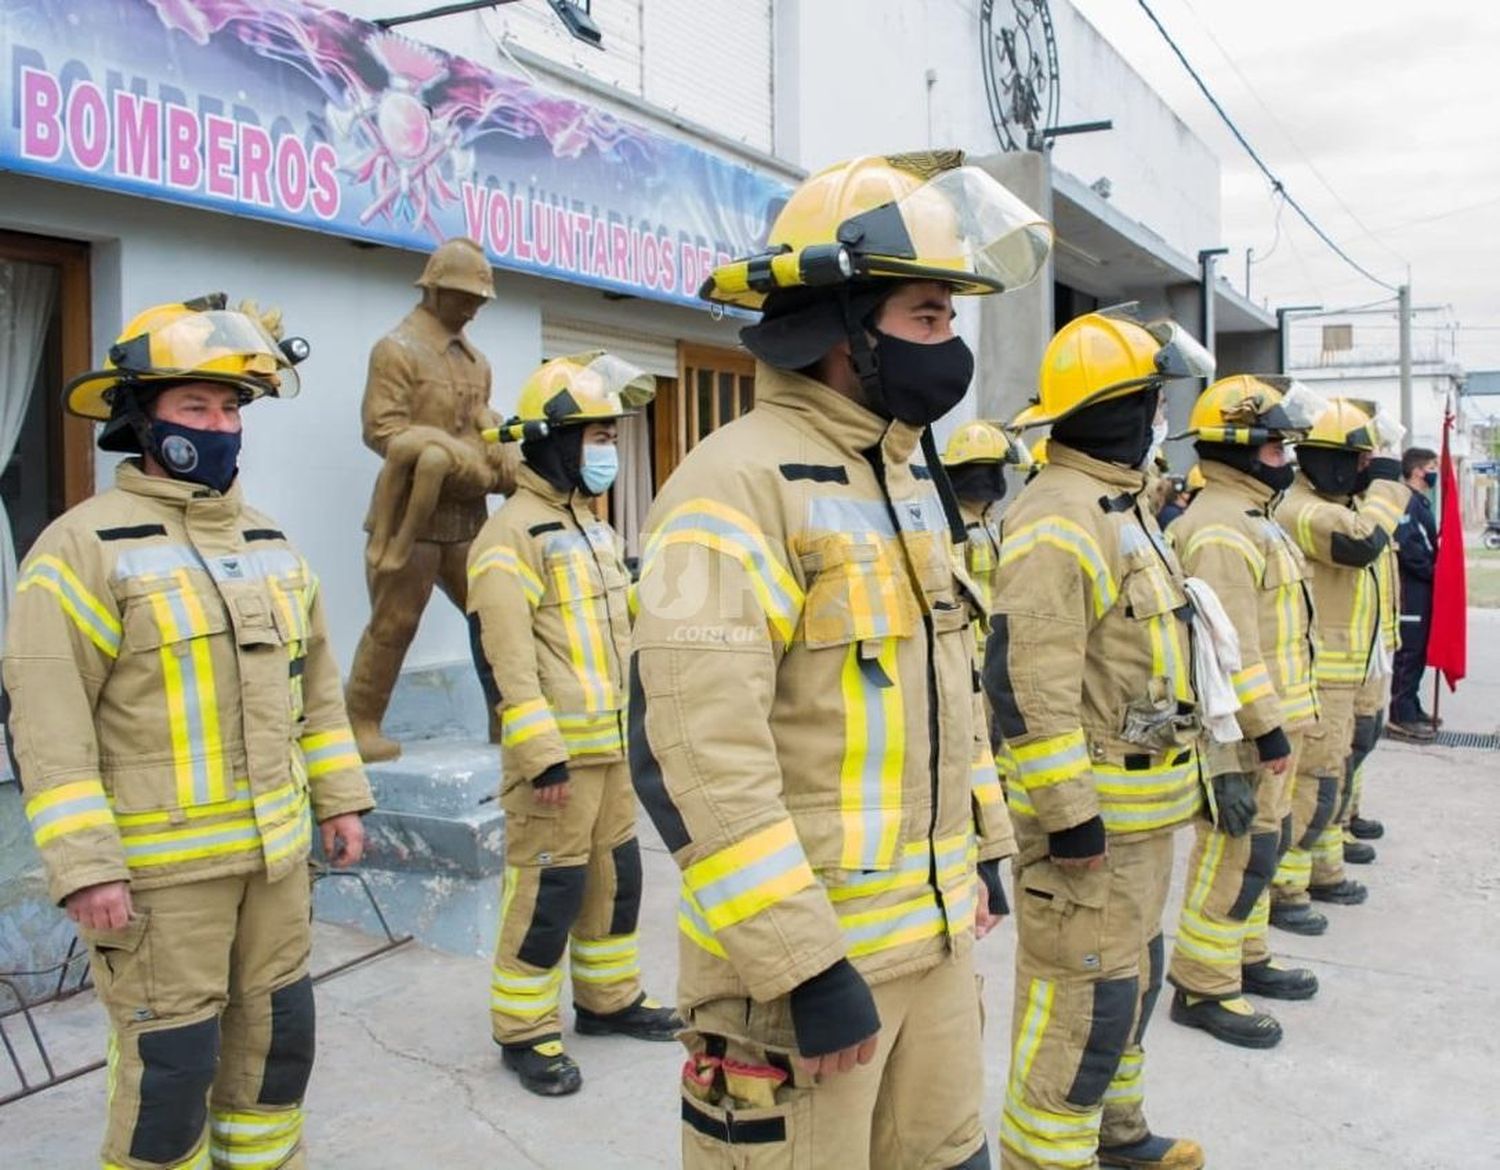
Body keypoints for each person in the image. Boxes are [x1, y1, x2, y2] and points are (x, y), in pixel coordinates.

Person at [630, 151, 1050, 1169]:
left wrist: (986, 849)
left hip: (938, 949)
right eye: (928, 315)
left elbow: (946, 688)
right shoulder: (728, 487)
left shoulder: (908, 482)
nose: (948, 344)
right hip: (810, 978)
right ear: (842, 326)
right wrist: (805, 967)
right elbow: (693, 756)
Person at [2, 295, 373, 1169]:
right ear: (142, 419)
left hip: (277, 864)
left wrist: (341, 800)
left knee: (277, 1053)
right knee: (170, 1079)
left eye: (232, 409)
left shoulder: (270, 539)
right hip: (161, 880)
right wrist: (86, 867)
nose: (219, 427)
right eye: (194, 408)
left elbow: (317, 689)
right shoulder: (79, 549)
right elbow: (51, 724)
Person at [989, 309, 1215, 1170]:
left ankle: (1115, 1137)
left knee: (1127, 988)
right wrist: (1070, 815)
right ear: (1117, 408)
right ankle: (1049, 1159)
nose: (1162, 418)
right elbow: (1026, 682)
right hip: (1092, 834)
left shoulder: (1119, 504)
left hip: (1142, 824)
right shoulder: (1060, 516)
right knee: (1080, 1008)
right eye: (1152, 401)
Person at [466, 352, 680, 1096]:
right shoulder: (511, 537)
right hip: (557, 766)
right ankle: (524, 1031)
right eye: (592, 437)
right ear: (551, 441)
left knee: (616, 883)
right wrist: (539, 756)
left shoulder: (588, 528)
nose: (605, 451)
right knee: (546, 895)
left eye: (608, 437)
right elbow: (502, 656)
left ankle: (609, 1001)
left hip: (613, 751)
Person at [1160, 376, 1323, 1050]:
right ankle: (1202, 984)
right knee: (1234, 852)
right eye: (1279, 447)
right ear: (1244, 448)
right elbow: (1233, 649)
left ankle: (1244, 952)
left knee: (1262, 847)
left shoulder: (1250, 517)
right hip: (1246, 732)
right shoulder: (1222, 527)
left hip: (1272, 726)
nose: (1288, 459)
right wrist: (1268, 727)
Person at [345, 237, 517, 762]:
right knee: (395, 622)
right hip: (410, 520)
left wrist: (500, 441)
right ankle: (359, 723)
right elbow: (382, 430)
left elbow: (482, 415)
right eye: (466, 298)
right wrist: (441, 448)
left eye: (480, 301)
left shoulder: (476, 361)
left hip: (467, 515)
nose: (474, 308)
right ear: (435, 291)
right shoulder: (396, 349)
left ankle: (506, 717)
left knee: (496, 618)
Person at [1268, 400, 1408, 933]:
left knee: (1337, 773)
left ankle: (1322, 869)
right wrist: (1389, 487)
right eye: (1357, 459)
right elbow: (1361, 545)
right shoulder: (1302, 507)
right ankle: (1285, 887)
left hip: (1357, 668)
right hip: (1322, 673)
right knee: (1312, 784)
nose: (1365, 469)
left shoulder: (1344, 502)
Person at [1387, 446, 1440, 741]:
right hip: (1410, 588)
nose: (1436, 472)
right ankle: (1400, 716)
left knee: (1418, 651)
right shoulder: (1406, 502)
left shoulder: (1420, 502)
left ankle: (1412, 706)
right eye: (1433, 466)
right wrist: (1436, 574)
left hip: (1421, 587)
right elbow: (1409, 547)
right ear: (1419, 470)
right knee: (1409, 653)